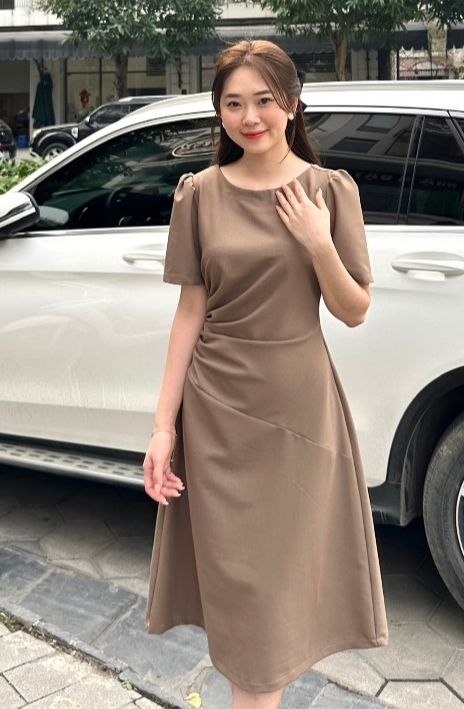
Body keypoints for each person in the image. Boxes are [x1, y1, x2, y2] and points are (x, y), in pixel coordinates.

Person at [143, 40, 387, 709]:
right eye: (233, 103)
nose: (250, 117)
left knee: (275, 590)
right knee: (239, 589)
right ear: (218, 111)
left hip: (296, 414)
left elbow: (354, 310)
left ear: (292, 103)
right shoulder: (199, 194)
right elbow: (190, 310)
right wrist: (163, 426)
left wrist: (317, 241)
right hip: (215, 411)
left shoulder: (330, 191)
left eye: (264, 101)